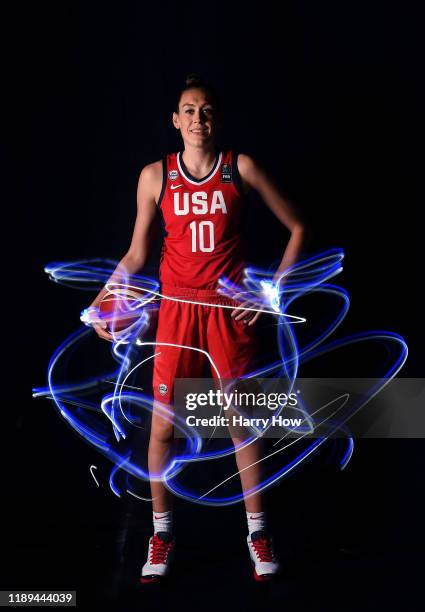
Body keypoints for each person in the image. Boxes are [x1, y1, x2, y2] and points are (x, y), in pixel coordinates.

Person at [88, 73, 310, 583]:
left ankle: (258, 534)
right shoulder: (155, 176)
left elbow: (298, 227)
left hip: (227, 316)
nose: (197, 119)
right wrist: (102, 297)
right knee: (163, 427)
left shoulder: (240, 168)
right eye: (189, 110)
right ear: (175, 119)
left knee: (240, 425)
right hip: (178, 312)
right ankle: (161, 534)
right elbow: (138, 253)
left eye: (207, 110)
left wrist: (272, 292)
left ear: (219, 119)